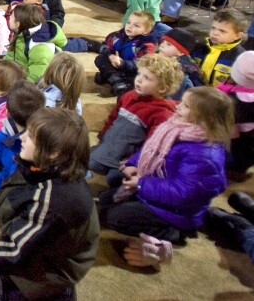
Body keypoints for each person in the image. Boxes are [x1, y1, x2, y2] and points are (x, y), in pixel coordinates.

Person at [98, 87, 232, 249]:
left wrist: (142, 184)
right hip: (155, 189)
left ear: (207, 118)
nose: (178, 107)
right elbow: (152, 149)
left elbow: (183, 194)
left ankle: (174, 233)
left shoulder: (205, 156)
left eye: (187, 106)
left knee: (114, 217)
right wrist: (134, 163)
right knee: (106, 199)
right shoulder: (176, 127)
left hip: (176, 212)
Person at [0, 108, 98, 300]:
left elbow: (14, 251)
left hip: (39, 277)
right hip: (32, 247)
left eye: (30, 136)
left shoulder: (55, 200)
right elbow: (6, 198)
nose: (21, 137)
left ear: (54, 152)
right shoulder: (40, 167)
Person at [89, 54, 181, 180]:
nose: (139, 80)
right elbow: (112, 118)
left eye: (147, 78)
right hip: (112, 145)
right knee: (88, 160)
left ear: (162, 88)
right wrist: (102, 136)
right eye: (139, 74)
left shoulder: (162, 113)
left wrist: (134, 162)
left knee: (113, 177)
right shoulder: (128, 96)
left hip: (128, 157)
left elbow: (152, 145)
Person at [93, 10, 158, 96]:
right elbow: (105, 46)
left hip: (131, 72)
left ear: (146, 30)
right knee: (100, 59)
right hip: (116, 64)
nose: (130, 27)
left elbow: (141, 64)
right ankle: (114, 79)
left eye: (136, 25)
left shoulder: (148, 44)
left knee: (137, 77)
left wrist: (122, 63)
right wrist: (110, 55)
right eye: (128, 22)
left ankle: (117, 81)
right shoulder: (118, 35)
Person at [4, 4, 66, 82]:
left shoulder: (38, 46)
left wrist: (17, 88)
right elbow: (10, 57)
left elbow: (36, 78)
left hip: (39, 86)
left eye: (11, 16)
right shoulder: (21, 34)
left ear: (18, 24)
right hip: (21, 75)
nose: (9, 18)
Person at [217, 51, 254, 172]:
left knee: (237, 160)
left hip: (237, 140)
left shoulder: (233, 101)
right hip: (249, 137)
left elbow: (231, 131)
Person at [191, 8, 247, 85]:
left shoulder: (241, 59)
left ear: (237, 36)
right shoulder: (198, 47)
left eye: (222, 31)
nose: (215, 33)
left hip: (221, 96)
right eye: (213, 28)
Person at [156, 27, 203, 101]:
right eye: (163, 42)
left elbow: (175, 98)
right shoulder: (157, 59)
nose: (162, 45)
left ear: (181, 52)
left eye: (169, 44)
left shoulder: (181, 72)